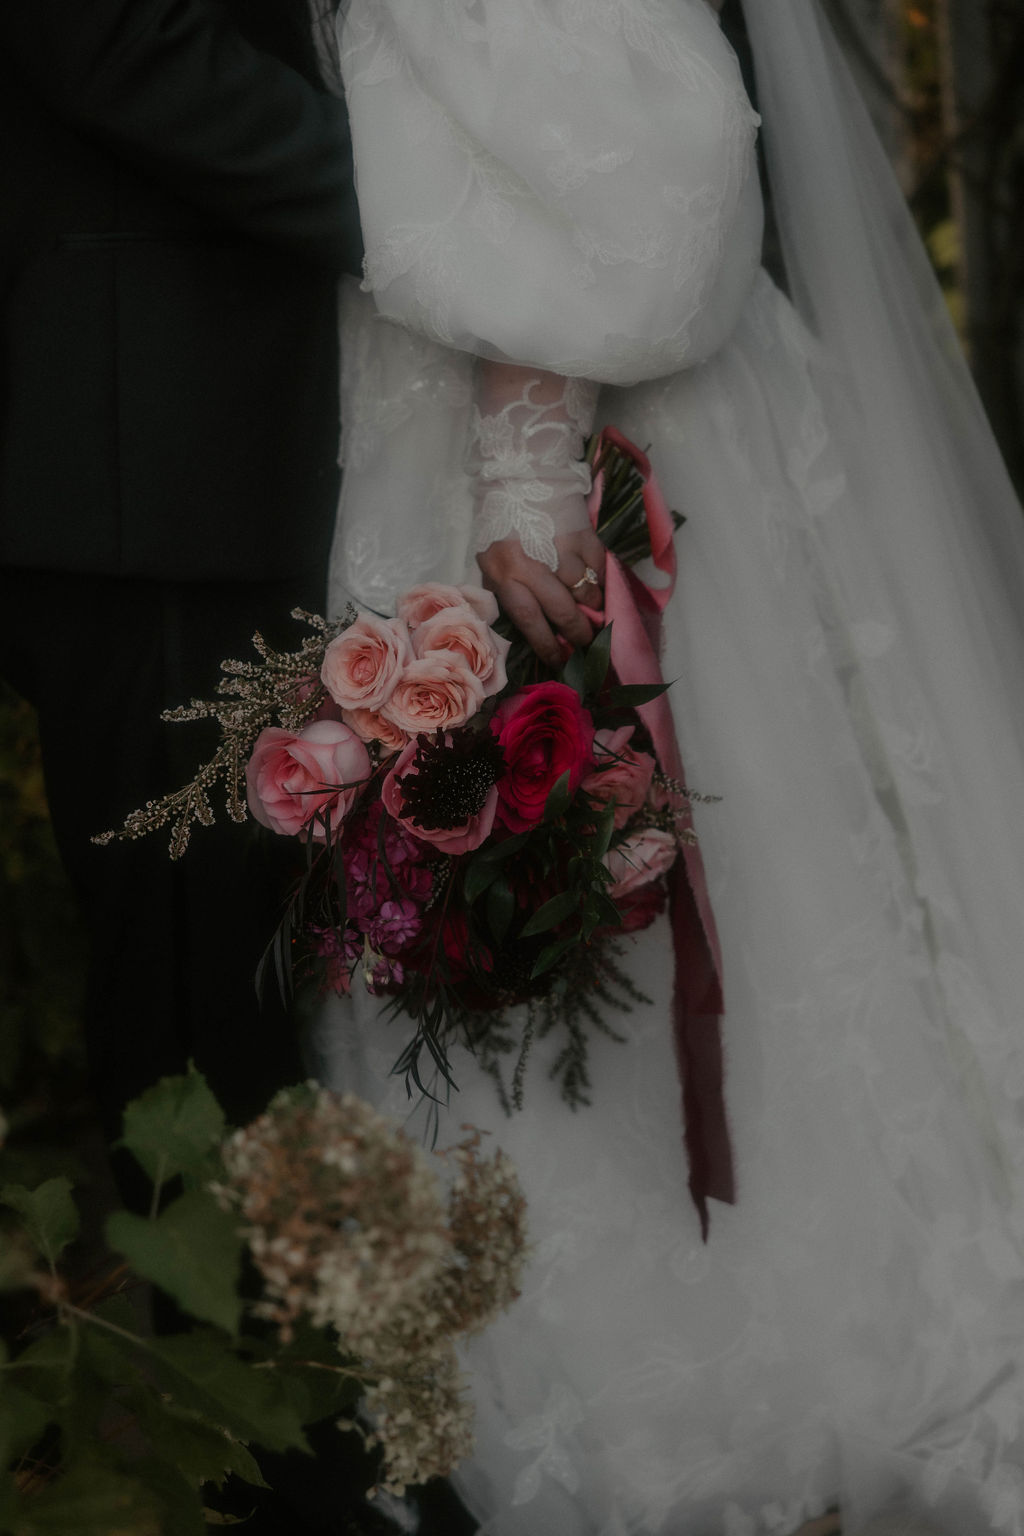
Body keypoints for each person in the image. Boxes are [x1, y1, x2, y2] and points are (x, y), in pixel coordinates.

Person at [308, 0, 1024, 1532]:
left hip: (580, 470)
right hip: (417, 425)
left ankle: (753, 1370)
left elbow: (649, 164)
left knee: (710, 891)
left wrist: (529, 454)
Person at [0, 0, 362, 1158]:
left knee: (325, 948)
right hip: (159, 454)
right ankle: (223, 1330)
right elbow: (108, 33)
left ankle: (352, 1310)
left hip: (308, 424)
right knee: (203, 983)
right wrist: (436, 205)